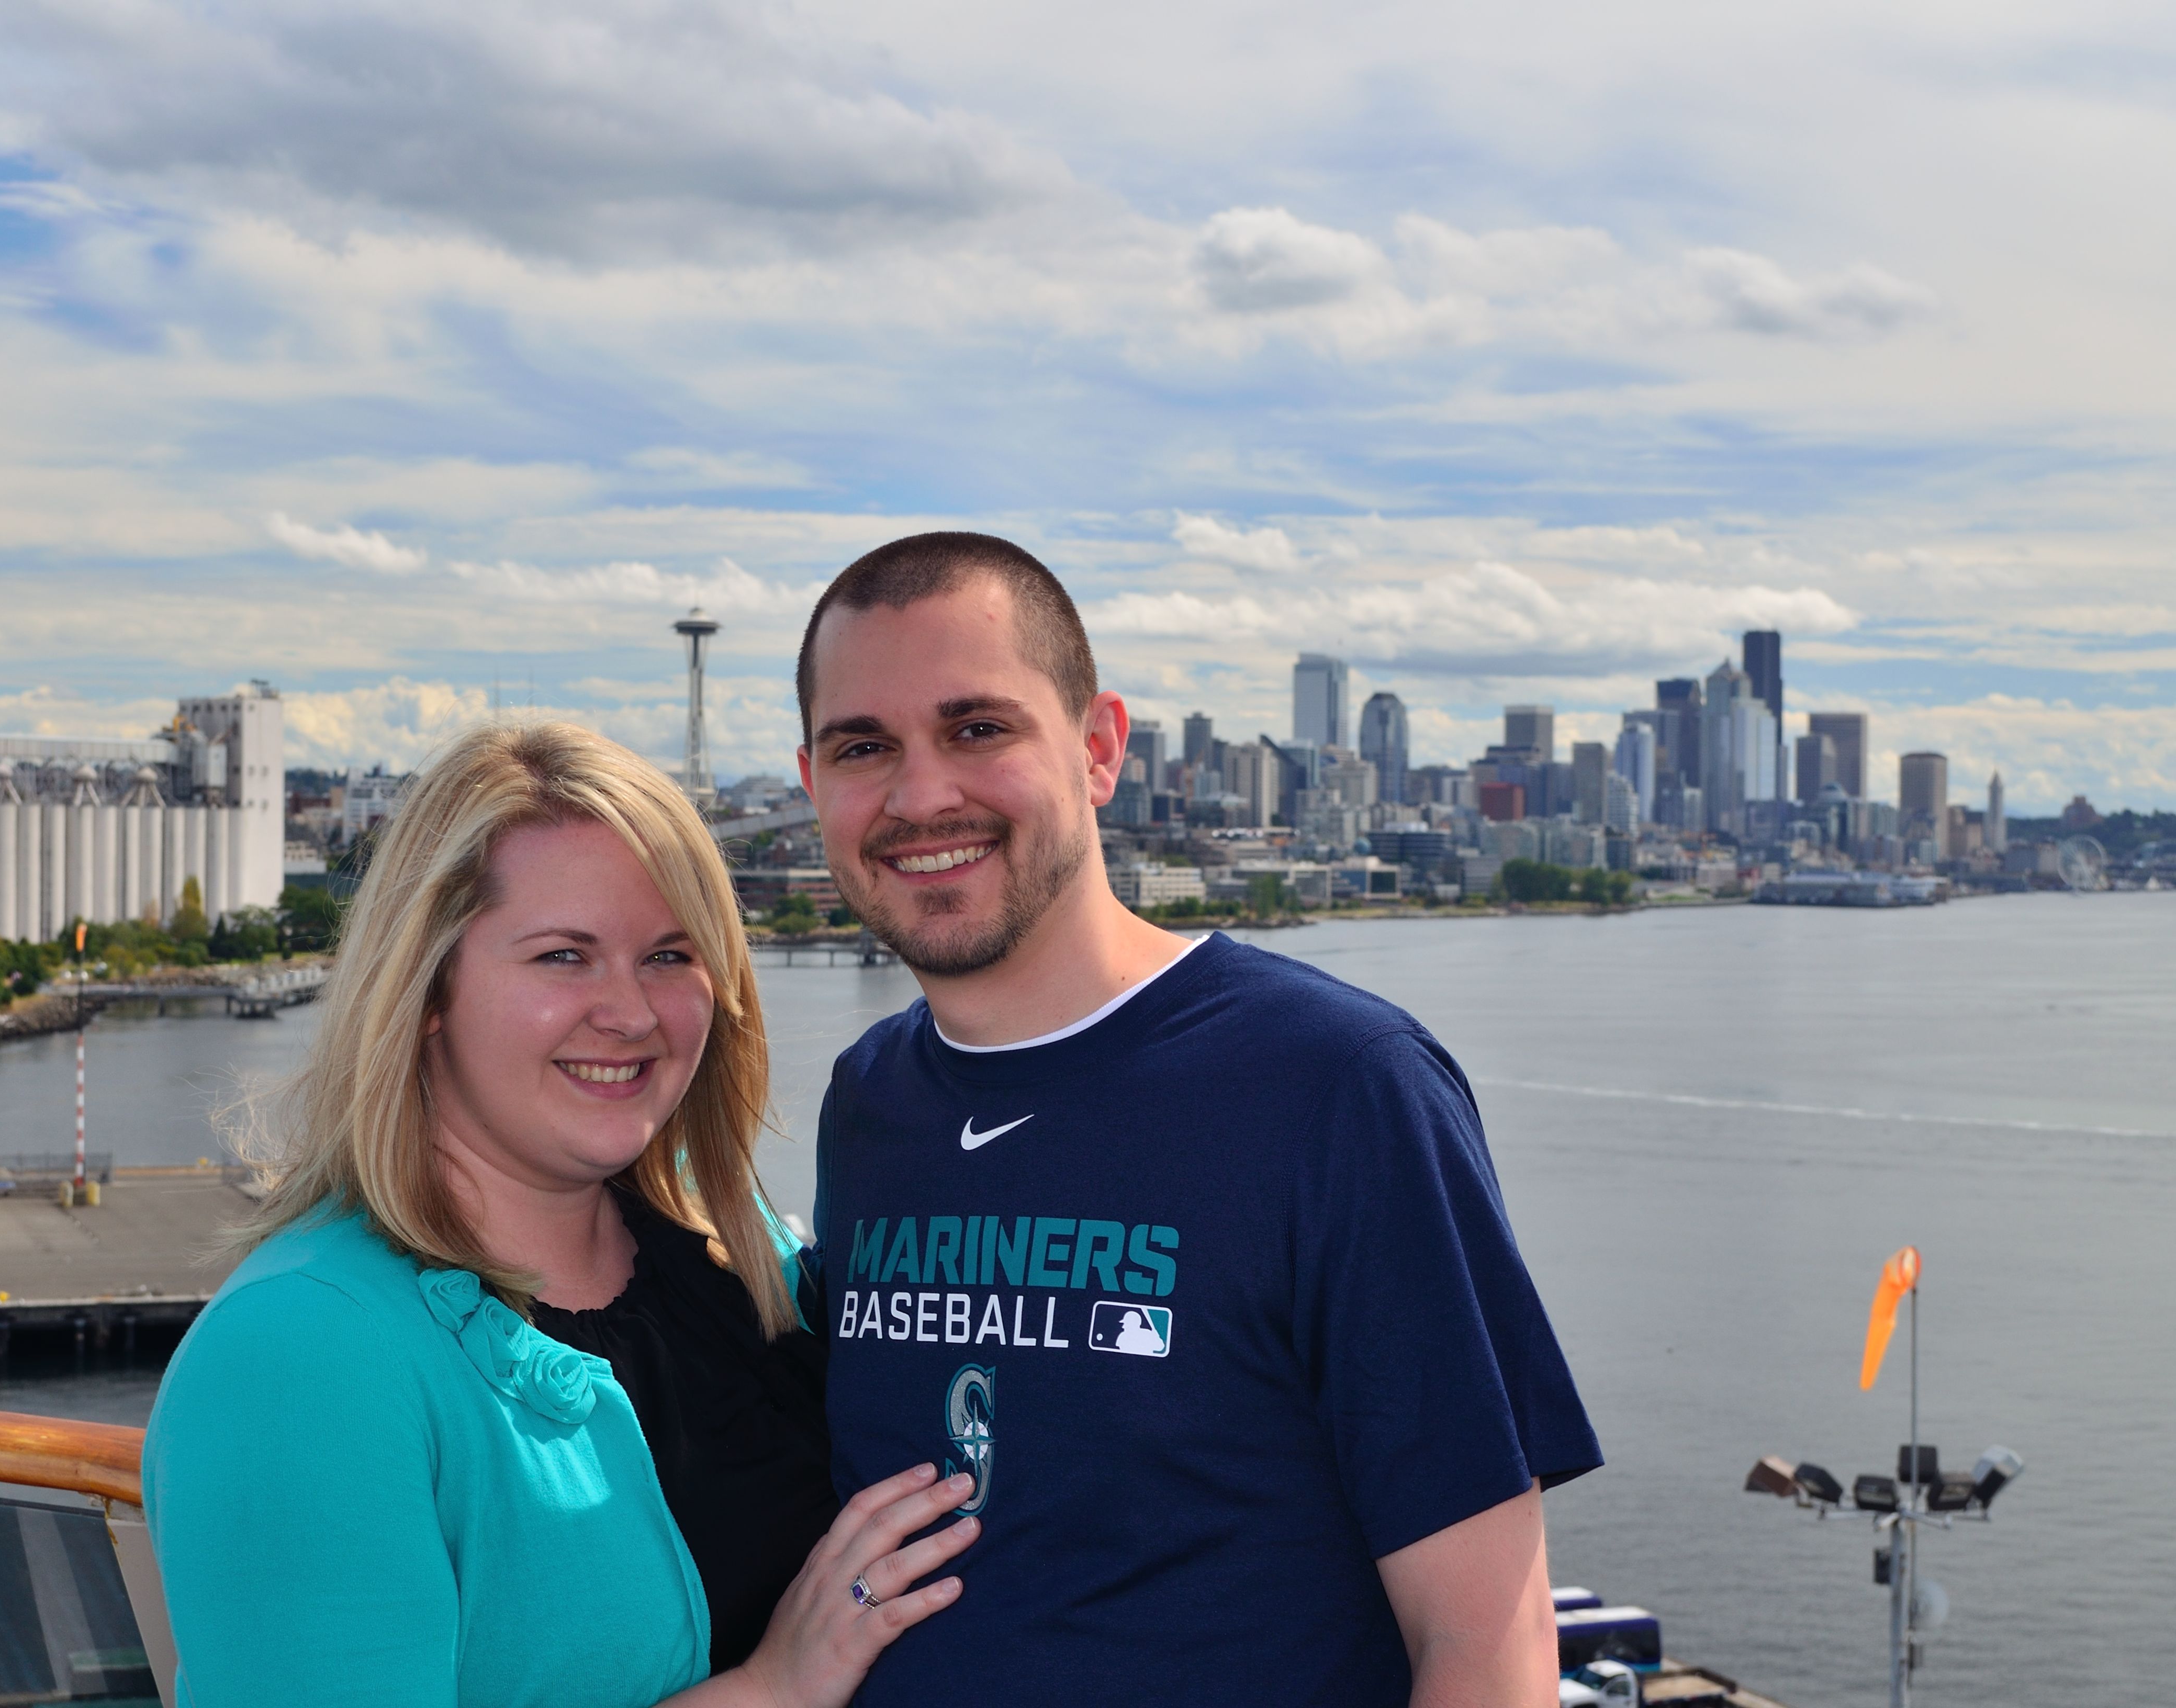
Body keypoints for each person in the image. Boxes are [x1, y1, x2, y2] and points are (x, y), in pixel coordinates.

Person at [796, 533, 1602, 1707]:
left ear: (1098, 748)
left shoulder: (1340, 1087)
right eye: (864, 747)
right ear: (813, 782)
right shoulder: (869, 1101)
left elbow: (1488, 1645)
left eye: (977, 729)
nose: (922, 797)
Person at [144, 722, 978, 1708]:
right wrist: (774, 1689)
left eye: (669, 955)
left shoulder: (737, 1247)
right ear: (427, 989)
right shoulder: (298, 1357)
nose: (631, 1013)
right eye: (563, 956)